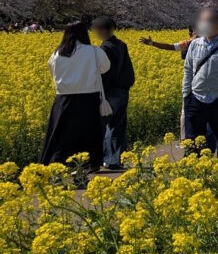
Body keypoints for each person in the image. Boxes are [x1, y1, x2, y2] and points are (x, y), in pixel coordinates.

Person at [41, 21, 110, 169]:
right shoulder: (93, 51)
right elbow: (105, 68)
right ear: (84, 34)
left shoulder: (57, 53)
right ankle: (87, 166)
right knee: (88, 134)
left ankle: (57, 166)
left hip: (63, 99)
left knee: (61, 135)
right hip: (88, 98)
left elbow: (52, 71)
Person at [182, 8, 218, 155]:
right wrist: (186, 94)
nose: (202, 24)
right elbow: (188, 69)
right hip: (196, 97)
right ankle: (196, 165)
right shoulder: (194, 44)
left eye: (206, 21)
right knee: (193, 139)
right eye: (201, 21)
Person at [91, 17, 135, 169]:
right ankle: (116, 159)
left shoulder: (105, 48)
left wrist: (99, 92)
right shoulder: (121, 44)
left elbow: (106, 73)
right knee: (118, 126)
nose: (95, 33)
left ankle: (104, 160)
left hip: (110, 92)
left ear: (103, 30)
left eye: (96, 29)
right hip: (123, 90)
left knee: (103, 126)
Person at [140, 26, 196, 140]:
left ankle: (190, 138)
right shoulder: (187, 43)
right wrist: (152, 43)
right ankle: (186, 139)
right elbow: (170, 46)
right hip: (192, 82)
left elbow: (170, 46)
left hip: (200, 83)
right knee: (186, 111)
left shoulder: (207, 41)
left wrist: (152, 43)